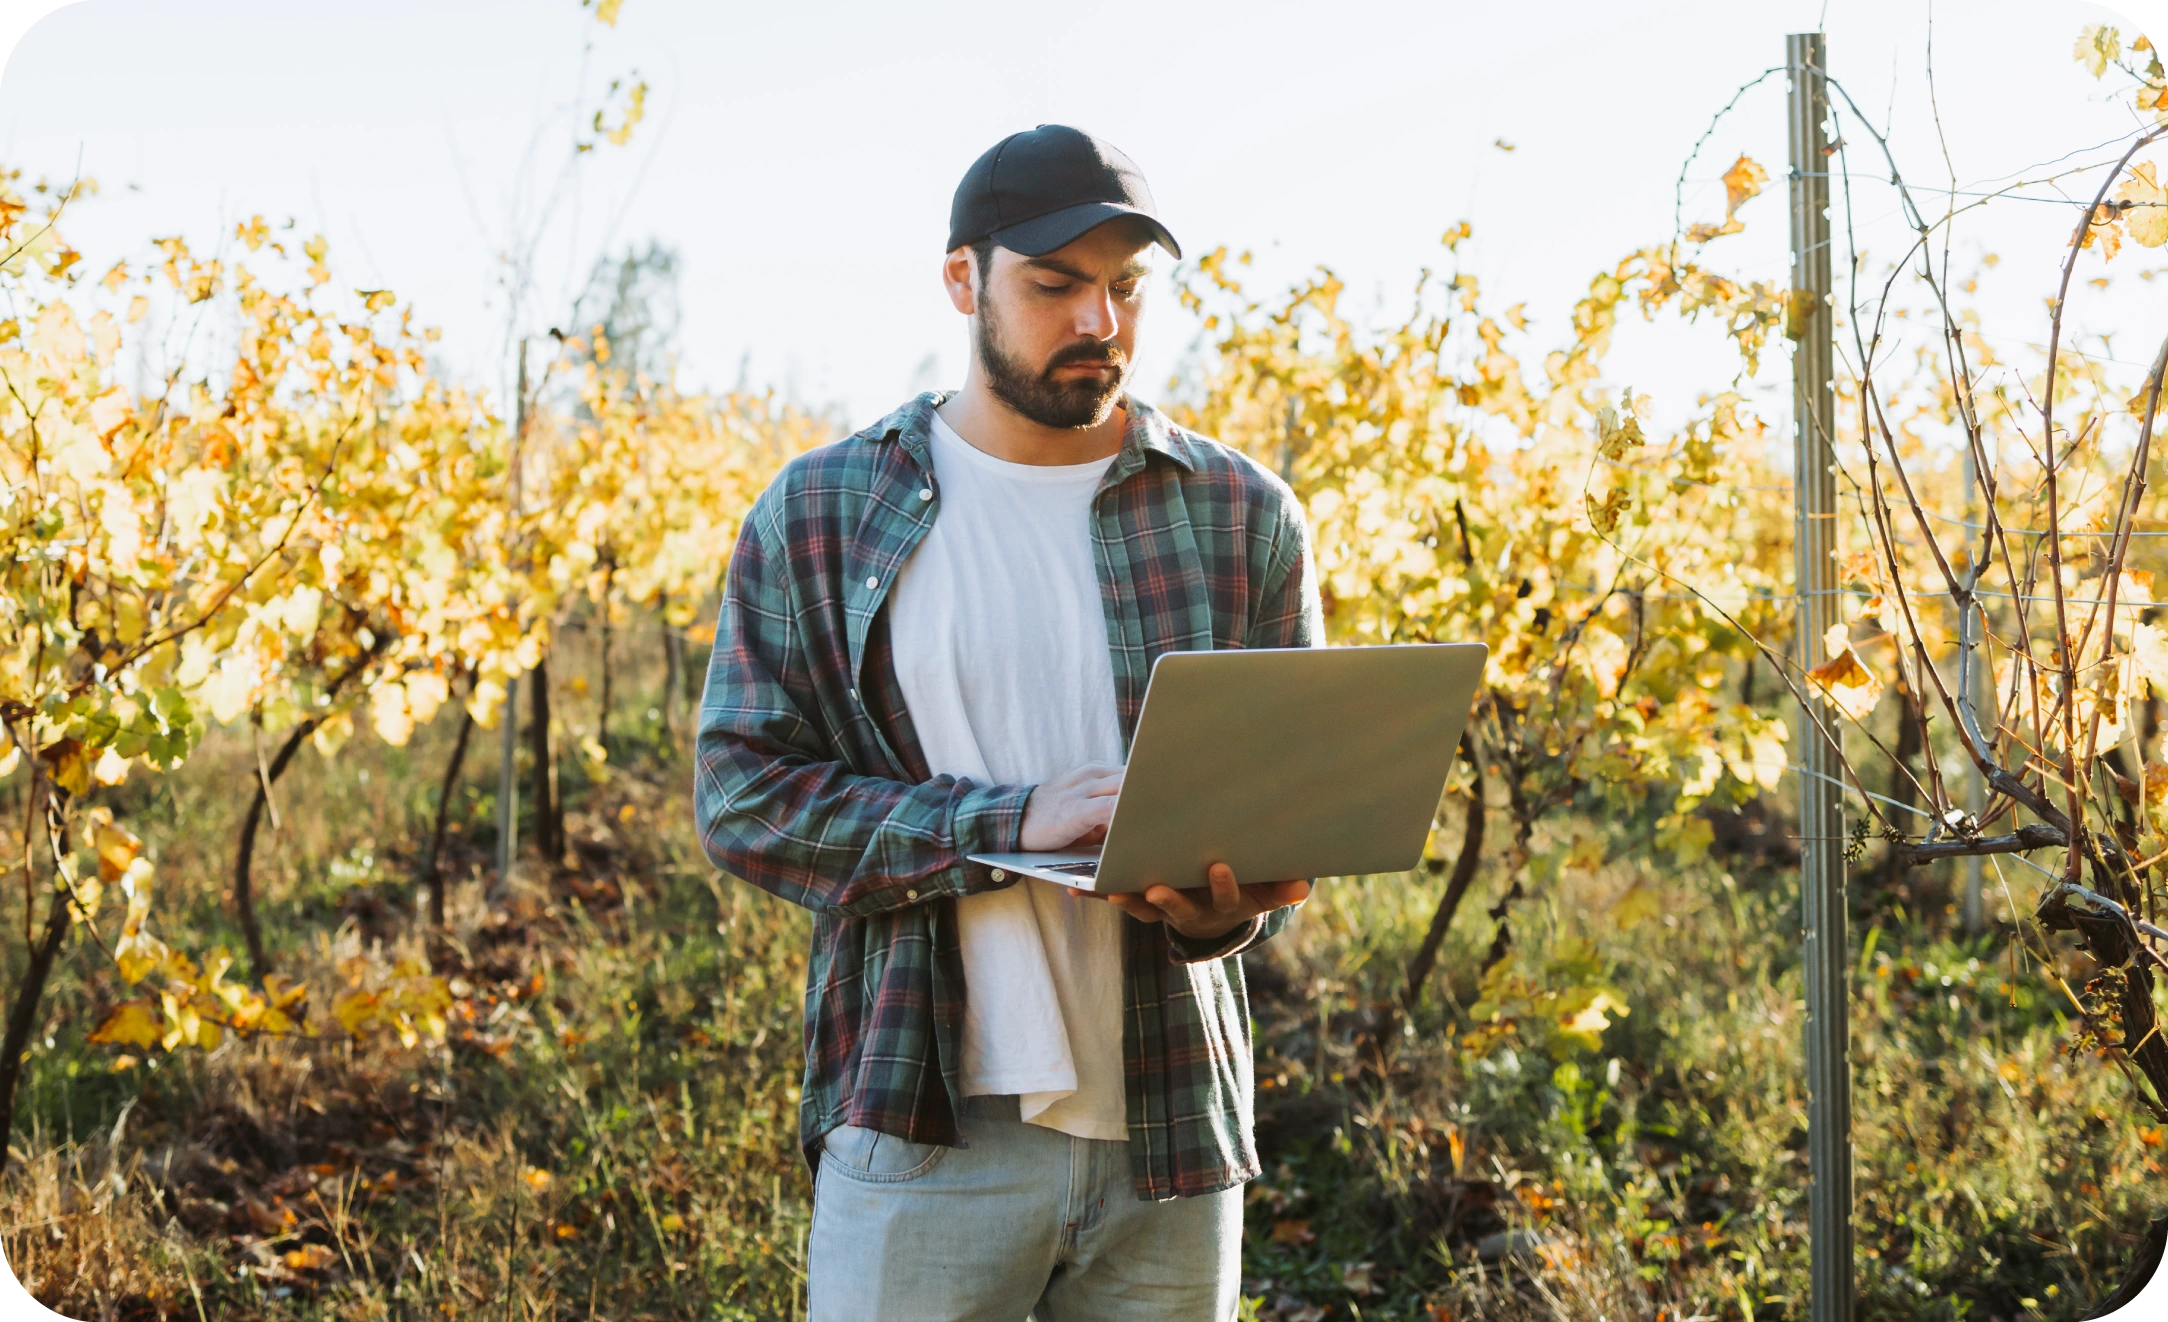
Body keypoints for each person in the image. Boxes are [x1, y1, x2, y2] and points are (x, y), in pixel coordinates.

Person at [694, 123, 1319, 1321]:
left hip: (1170, 1127)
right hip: (923, 1113)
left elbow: (1285, 809)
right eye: (1053, 285)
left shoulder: (1242, 515)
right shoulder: (825, 509)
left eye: (1124, 286)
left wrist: (1225, 908)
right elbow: (742, 797)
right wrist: (998, 821)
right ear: (960, 280)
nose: (1099, 320)